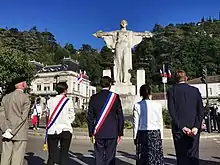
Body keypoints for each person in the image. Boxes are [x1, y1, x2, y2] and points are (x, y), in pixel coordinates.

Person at [167, 70, 204, 165]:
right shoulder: (195, 91)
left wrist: (181, 126)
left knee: (182, 157)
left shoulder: (171, 91)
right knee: (194, 155)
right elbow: (200, 110)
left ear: (175, 79)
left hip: (179, 129)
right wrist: (196, 126)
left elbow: (172, 111)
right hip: (193, 127)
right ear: (186, 78)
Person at [87, 76, 124, 165]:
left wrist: (91, 132)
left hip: (98, 131)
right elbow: (120, 116)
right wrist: (120, 132)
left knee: (99, 156)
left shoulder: (94, 98)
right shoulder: (115, 97)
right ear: (110, 84)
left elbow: (90, 117)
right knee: (110, 157)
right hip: (112, 132)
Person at [0, 77, 31, 165]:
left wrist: (5, 129)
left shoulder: (6, 97)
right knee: (17, 158)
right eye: (25, 82)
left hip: (6, 131)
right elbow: (23, 117)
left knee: (5, 157)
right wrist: (13, 131)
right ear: (22, 84)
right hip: (20, 132)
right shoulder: (25, 98)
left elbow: (1, 115)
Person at [133, 84, 164, 165]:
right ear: (150, 93)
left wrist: (135, 137)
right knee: (155, 156)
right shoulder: (158, 105)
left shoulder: (137, 105)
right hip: (155, 133)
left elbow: (136, 123)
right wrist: (161, 136)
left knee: (143, 158)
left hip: (142, 132)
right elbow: (160, 121)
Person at [46, 82, 75, 165]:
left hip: (52, 130)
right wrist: (67, 122)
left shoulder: (50, 101)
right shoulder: (69, 101)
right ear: (65, 90)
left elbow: (48, 115)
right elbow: (72, 115)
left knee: (51, 155)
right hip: (66, 129)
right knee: (64, 155)